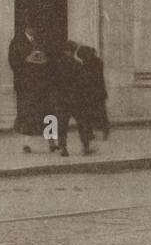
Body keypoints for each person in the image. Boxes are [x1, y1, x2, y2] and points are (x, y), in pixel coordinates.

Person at [9, 22, 54, 153]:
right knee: (27, 115)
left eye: (35, 27)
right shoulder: (17, 42)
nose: (34, 30)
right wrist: (26, 60)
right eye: (31, 27)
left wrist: (44, 59)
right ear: (26, 28)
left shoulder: (40, 40)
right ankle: (26, 143)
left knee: (47, 113)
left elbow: (49, 58)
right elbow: (12, 61)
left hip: (42, 84)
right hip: (26, 85)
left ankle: (52, 142)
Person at [52, 41, 94, 157]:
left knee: (62, 124)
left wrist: (56, 98)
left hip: (62, 99)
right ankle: (85, 147)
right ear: (72, 51)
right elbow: (84, 83)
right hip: (76, 99)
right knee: (81, 123)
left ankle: (63, 148)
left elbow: (53, 84)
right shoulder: (78, 65)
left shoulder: (57, 65)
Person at [77, 44, 109, 138]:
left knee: (88, 113)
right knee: (101, 112)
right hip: (99, 92)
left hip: (90, 92)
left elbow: (86, 79)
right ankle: (104, 130)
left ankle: (91, 132)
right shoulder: (98, 62)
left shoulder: (86, 64)